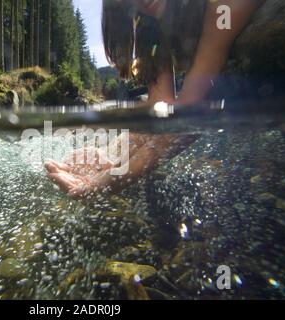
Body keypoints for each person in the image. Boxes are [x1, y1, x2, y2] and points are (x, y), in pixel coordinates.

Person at [45, 0, 266, 199]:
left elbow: (187, 114)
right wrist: (109, 155)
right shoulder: (149, 19)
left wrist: (114, 178)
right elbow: (160, 108)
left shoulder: (223, 7)